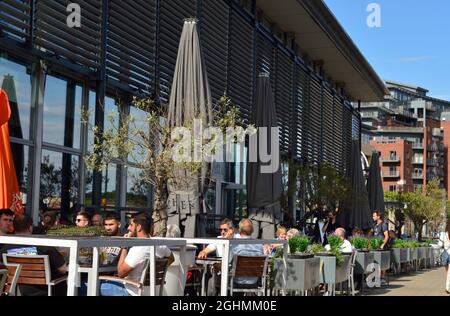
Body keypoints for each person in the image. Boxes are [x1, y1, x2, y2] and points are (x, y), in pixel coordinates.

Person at [99, 212, 174, 296]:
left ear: (139, 227)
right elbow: (172, 258)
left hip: (131, 292)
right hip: (152, 292)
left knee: (88, 286)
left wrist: (124, 246)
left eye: (131, 225)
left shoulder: (138, 249)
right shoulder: (160, 245)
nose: (128, 228)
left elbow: (120, 273)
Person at [0, 214, 67, 296]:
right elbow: (63, 269)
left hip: (22, 291)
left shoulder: (5, 249)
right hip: (49, 291)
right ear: (30, 227)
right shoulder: (44, 246)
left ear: (14, 227)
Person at [230, 219, 265, 287]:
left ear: (239, 230)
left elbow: (228, 262)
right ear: (252, 230)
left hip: (238, 281)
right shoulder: (259, 245)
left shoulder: (235, 245)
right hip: (253, 281)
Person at [438, 221, 450, 294]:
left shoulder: (443, 234)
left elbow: (439, 245)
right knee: (449, 273)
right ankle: (447, 287)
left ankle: (448, 287)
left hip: (445, 254)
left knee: (448, 272)